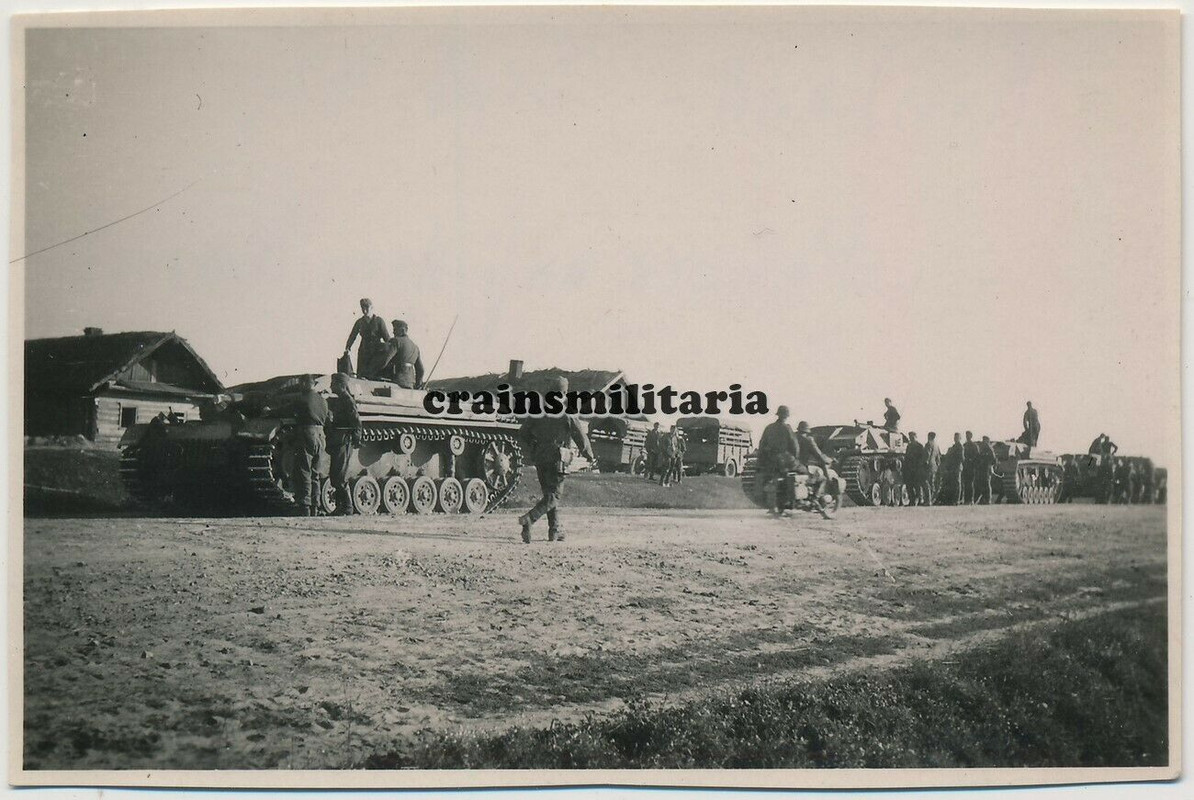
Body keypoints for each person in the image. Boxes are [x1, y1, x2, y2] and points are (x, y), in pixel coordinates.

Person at [517, 377, 595, 543]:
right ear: (564, 392)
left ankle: (554, 530)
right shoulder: (567, 411)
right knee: (555, 496)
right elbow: (579, 435)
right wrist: (589, 454)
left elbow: (523, 432)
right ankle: (530, 518)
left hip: (540, 456)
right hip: (557, 457)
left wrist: (534, 444)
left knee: (549, 494)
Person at [291, 374, 329, 516]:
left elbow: (287, 410)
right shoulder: (323, 401)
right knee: (315, 473)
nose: (300, 386)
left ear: (307, 383)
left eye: (301, 383)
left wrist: (269, 412)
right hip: (321, 435)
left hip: (307, 433)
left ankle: (305, 506)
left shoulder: (302, 399)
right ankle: (315, 506)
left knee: (304, 471)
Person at [325, 373, 362, 515]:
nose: (331, 386)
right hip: (338, 440)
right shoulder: (341, 400)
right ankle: (341, 506)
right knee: (335, 475)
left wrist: (355, 439)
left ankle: (347, 506)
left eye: (333, 384)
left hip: (343, 440)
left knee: (339, 475)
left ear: (341, 385)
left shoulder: (347, 400)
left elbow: (356, 421)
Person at [758, 406, 801, 515]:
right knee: (795, 475)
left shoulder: (769, 427)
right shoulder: (787, 428)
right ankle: (787, 503)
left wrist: (762, 459)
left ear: (778, 415)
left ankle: (772, 506)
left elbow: (762, 444)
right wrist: (795, 457)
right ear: (786, 416)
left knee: (772, 480)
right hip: (784, 459)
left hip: (770, 460)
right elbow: (795, 445)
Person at [343, 298, 392, 380]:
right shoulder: (359, 322)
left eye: (367, 308)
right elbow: (352, 336)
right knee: (361, 375)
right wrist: (348, 347)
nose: (364, 311)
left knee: (374, 375)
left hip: (376, 352)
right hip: (363, 351)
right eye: (362, 308)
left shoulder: (379, 321)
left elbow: (386, 338)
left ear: (372, 308)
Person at [380, 319, 425, 389]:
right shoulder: (415, 347)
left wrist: (371, 372)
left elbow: (384, 361)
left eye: (395, 330)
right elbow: (421, 370)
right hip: (410, 383)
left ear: (403, 330)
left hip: (396, 382)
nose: (393, 332)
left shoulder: (396, 341)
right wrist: (418, 384)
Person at [795, 421, 832, 504]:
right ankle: (815, 498)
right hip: (802, 466)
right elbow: (818, 454)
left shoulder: (794, 439)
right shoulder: (808, 440)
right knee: (822, 478)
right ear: (807, 430)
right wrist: (828, 460)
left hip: (792, 466)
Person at [903, 432, 924, 506]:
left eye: (912, 436)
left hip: (917, 468)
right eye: (910, 437)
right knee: (909, 485)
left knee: (917, 485)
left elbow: (922, 458)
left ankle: (920, 499)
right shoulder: (909, 446)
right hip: (909, 468)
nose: (910, 438)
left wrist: (919, 467)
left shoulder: (920, 446)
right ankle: (912, 500)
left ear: (916, 436)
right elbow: (907, 457)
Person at [975, 435, 998, 504]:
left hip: (986, 468)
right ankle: (984, 499)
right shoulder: (982, 448)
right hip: (982, 468)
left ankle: (988, 499)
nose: (983, 441)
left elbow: (993, 459)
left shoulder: (989, 449)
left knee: (987, 484)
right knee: (982, 484)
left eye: (985, 440)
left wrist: (990, 465)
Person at [922, 431, 941, 506]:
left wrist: (925, 462)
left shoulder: (928, 444)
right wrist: (937, 465)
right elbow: (938, 457)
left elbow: (927, 454)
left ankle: (928, 500)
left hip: (928, 466)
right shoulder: (936, 445)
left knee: (925, 482)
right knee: (931, 483)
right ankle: (931, 500)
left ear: (929, 436)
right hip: (934, 467)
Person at [945, 433, 965, 505]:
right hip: (953, 467)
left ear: (960, 438)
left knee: (957, 483)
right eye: (955, 437)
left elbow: (962, 458)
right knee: (953, 484)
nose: (955, 438)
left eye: (957, 437)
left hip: (957, 467)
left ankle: (957, 500)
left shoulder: (960, 447)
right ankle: (954, 499)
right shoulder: (954, 446)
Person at [961, 431, 979, 504]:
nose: (967, 436)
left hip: (971, 467)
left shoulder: (974, 445)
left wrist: (972, 462)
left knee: (970, 484)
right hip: (965, 466)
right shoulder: (964, 445)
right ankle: (966, 499)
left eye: (968, 435)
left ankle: (970, 499)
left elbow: (977, 456)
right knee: (965, 484)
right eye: (966, 435)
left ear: (971, 436)